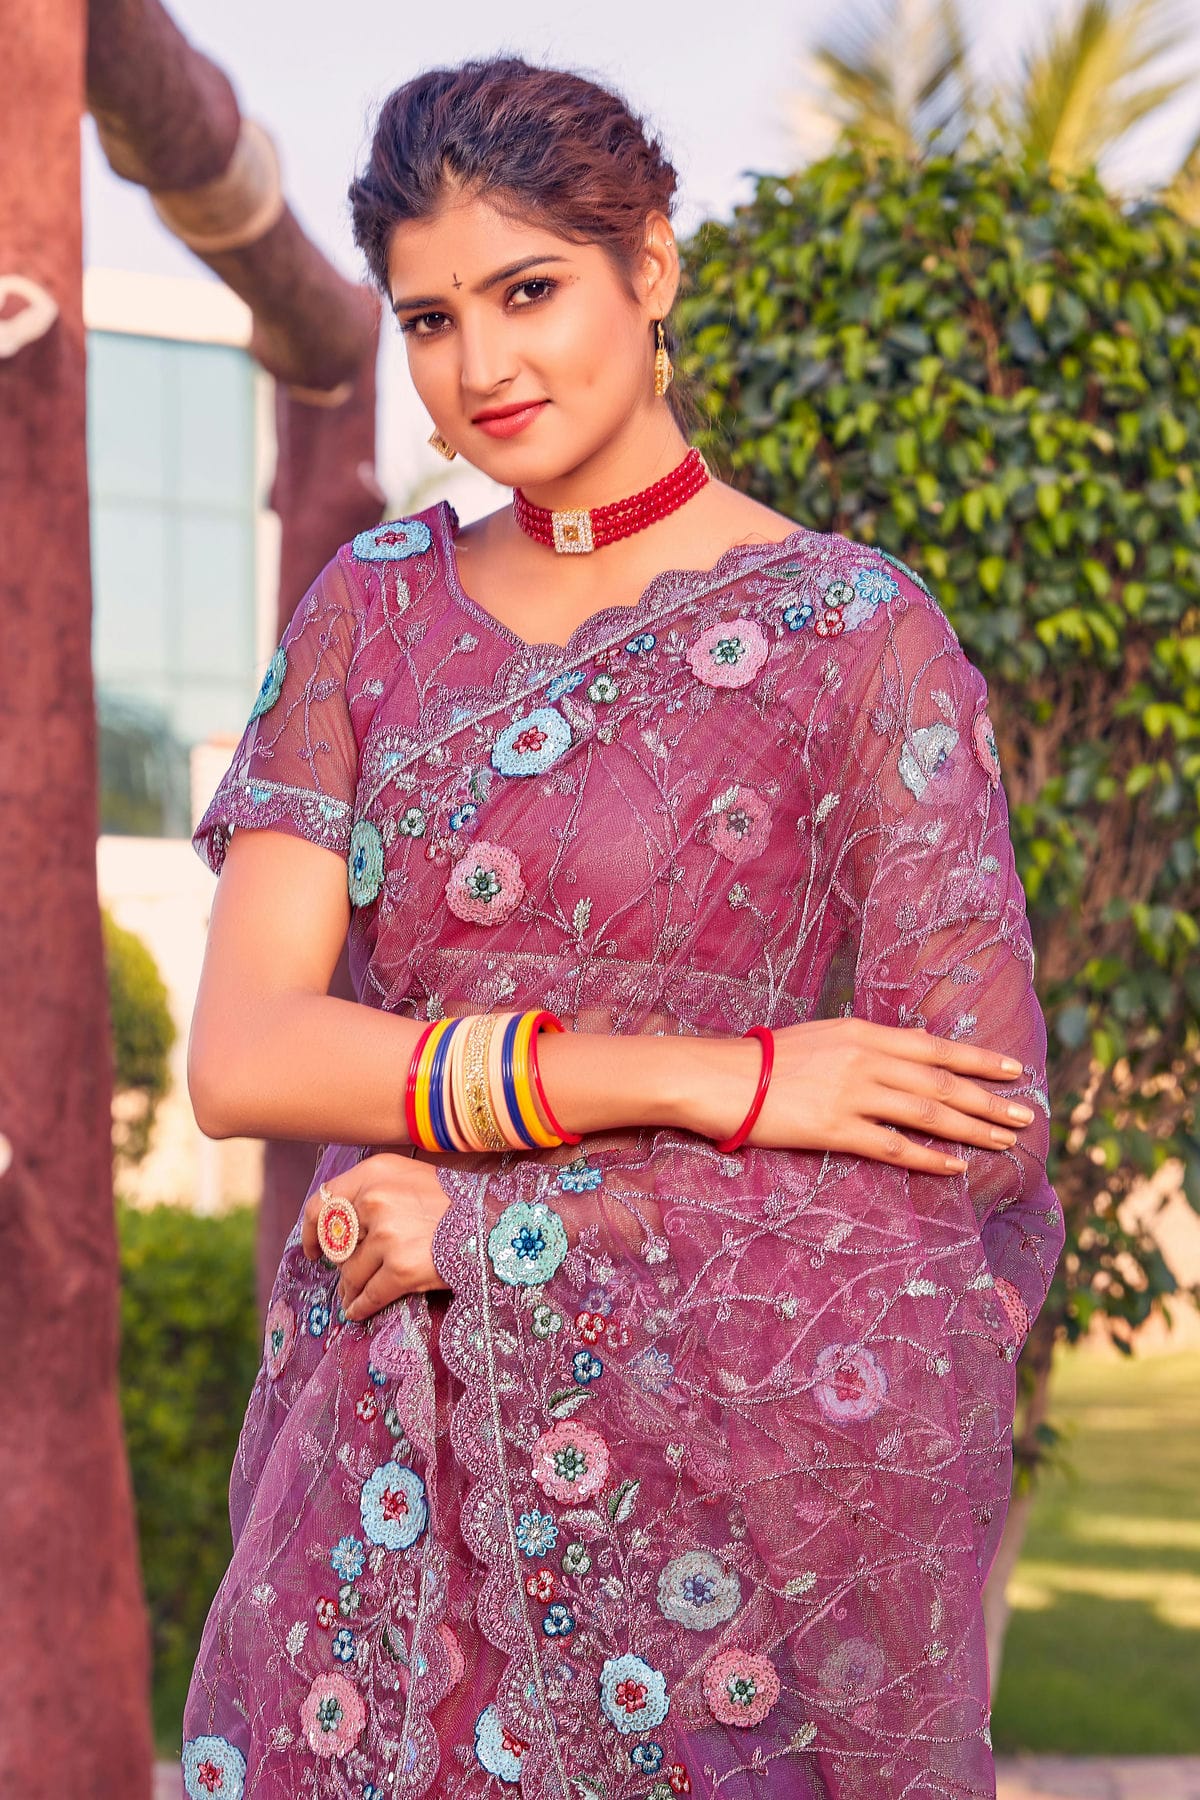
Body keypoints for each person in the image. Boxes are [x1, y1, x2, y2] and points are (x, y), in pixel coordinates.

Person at [181, 56, 1063, 1800]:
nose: (480, 368)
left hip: (698, 1533)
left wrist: (498, 1234)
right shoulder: (370, 613)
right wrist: (714, 1079)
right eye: (430, 320)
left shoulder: (854, 636)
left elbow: (977, 1151)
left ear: (651, 265)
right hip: (377, 1491)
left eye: (529, 292)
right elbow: (247, 1054)